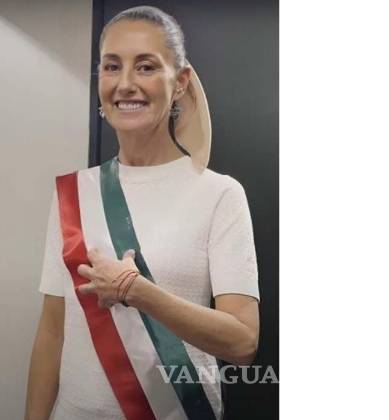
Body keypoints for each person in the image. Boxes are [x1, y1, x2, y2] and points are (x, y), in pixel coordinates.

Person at [25, 6, 260, 420]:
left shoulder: (219, 195)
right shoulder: (73, 193)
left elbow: (242, 343)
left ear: (180, 81)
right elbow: (52, 331)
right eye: (112, 66)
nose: (125, 84)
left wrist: (138, 291)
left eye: (146, 66)